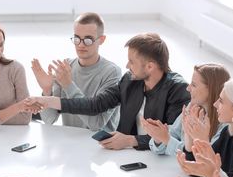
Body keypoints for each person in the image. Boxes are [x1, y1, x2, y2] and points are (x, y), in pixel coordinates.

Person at [27, 33, 190, 150]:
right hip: (126, 156)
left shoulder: (178, 90)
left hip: (159, 163)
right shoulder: (130, 81)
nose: (127, 66)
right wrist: (48, 100)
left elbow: (171, 137)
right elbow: (95, 104)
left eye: (131, 62)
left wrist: (131, 140)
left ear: (150, 66)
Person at [31, 12, 121, 131]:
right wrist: (47, 90)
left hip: (99, 145)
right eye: (77, 38)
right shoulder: (66, 67)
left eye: (88, 40)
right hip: (70, 142)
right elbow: (49, 119)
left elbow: (96, 125)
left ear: (101, 40)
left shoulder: (112, 72)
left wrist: (68, 85)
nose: (81, 45)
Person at [176, 77, 233, 177]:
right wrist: (190, 134)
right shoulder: (228, 132)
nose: (215, 104)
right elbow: (198, 171)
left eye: (221, 101)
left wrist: (202, 141)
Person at [143, 63, 229, 156]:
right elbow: (166, 142)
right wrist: (158, 138)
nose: (188, 88)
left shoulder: (225, 124)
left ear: (211, 89)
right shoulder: (192, 107)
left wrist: (167, 140)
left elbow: (200, 157)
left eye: (194, 85)